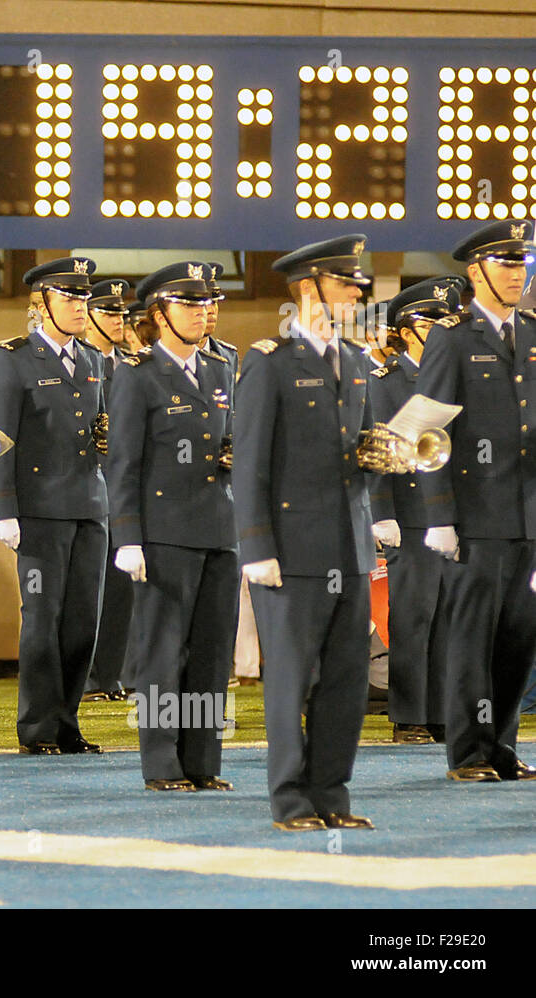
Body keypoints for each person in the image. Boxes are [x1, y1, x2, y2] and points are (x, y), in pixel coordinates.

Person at [234, 234, 378, 831]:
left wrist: (382, 460)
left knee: (346, 681)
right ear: (308, 288)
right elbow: (249, 461)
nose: (356, 292)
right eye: (345, 282)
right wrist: (256, 545)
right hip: (292, 551)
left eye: (356, 284)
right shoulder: (269, 360)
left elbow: (359, 447)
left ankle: (332, 794)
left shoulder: (361, 362)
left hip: (351, 544)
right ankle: (290, 798)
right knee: (291, 681)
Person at [108, 263, 238, 791]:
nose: (203, 311)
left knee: (211, 653)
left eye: (206, 302)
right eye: (189, 303)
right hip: (164, 531)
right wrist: (128, 537)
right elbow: (124, 461)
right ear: (160, 314)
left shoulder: (221, 368)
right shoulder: (138, 374)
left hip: (219, 528)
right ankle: (162, 761)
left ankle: (202, 760)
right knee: (162, 651)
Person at [417, 219, 536, 782]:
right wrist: (439, 514)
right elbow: (426, 430)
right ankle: (468, 752)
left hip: (528, 516)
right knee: (472, 639)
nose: (518, 273)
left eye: (523, 263)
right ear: (476, 271)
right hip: (475, 518)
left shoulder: (533, 332)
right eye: (507, 264)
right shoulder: (452, 336)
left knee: (518, 638)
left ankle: (502, 747)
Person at [0, 256, 107, 755]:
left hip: (89, 504)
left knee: (83, 621)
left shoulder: (95, 360)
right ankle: (37, 728)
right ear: (43, 304)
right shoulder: (15, 358)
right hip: (38, 508)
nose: (81, 307)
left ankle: (67, 722)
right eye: (69, 298)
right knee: (43, 618)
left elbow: (101, 429)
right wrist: (4, 510)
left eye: (83, 298)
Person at [368, 278, 464, 746]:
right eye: (435, 324)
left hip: (455, 514)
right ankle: (408, 713)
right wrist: (381, 511)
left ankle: (442, 710)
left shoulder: (453, 375)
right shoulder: (383, 382)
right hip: (409, 513)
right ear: (408, 331)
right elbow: (375, 449)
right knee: (414, 615)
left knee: (449, 615)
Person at [81, 277, 135, 703]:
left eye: (122, 313)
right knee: (86, 588)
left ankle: (110, 675)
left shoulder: (131, 365)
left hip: (125, 488)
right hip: (86, 484)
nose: (119, 320)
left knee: (121, 589)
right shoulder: (81, 362)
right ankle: (85, 676)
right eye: (109, 312)